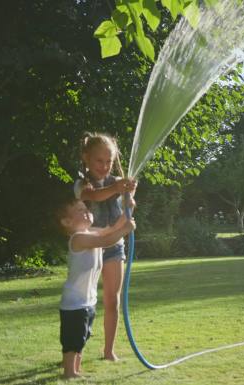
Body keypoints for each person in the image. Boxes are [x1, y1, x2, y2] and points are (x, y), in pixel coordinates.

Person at [56, 197, 135, 379]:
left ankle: (77, 369)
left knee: (83, 336)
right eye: (80, 210)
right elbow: (108, 240)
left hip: (87, 300)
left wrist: (127, 211)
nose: (87, 212)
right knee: (72, 339)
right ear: (67, 222)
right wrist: (125, 230)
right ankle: (69, 372)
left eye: (86, 209)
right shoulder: (79, 238)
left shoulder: (90, 233)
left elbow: (111, 231)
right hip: (74, 302)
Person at [75, 132, 137, 361]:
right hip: (89, 247)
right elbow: (95, 196)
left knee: (113, 298)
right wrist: (118, 188)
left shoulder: (116, 184)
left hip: (113, 245)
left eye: (109, 161)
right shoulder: (82, 184)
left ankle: (109, 350)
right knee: (83, 301)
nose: (104, 166)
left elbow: (125, 209)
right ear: (86, 159)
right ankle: (74, 352)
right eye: (99, 161)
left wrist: (130, 198)